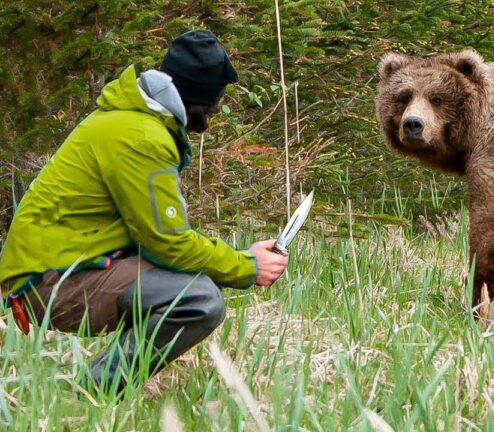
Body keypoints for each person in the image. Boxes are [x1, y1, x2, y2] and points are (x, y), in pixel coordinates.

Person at [0, 30, 288, 395]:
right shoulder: (141, 137)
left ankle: (93, 385)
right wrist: (247, 266)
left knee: (190, 285)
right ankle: (91, 393)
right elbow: (169, 243)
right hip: (49, 284)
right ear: (196, 101)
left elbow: (163, 236)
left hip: (57, 269)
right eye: (212, 109)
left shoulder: (133, 120)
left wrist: (239, 258)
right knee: (198, 300)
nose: (208, 123)